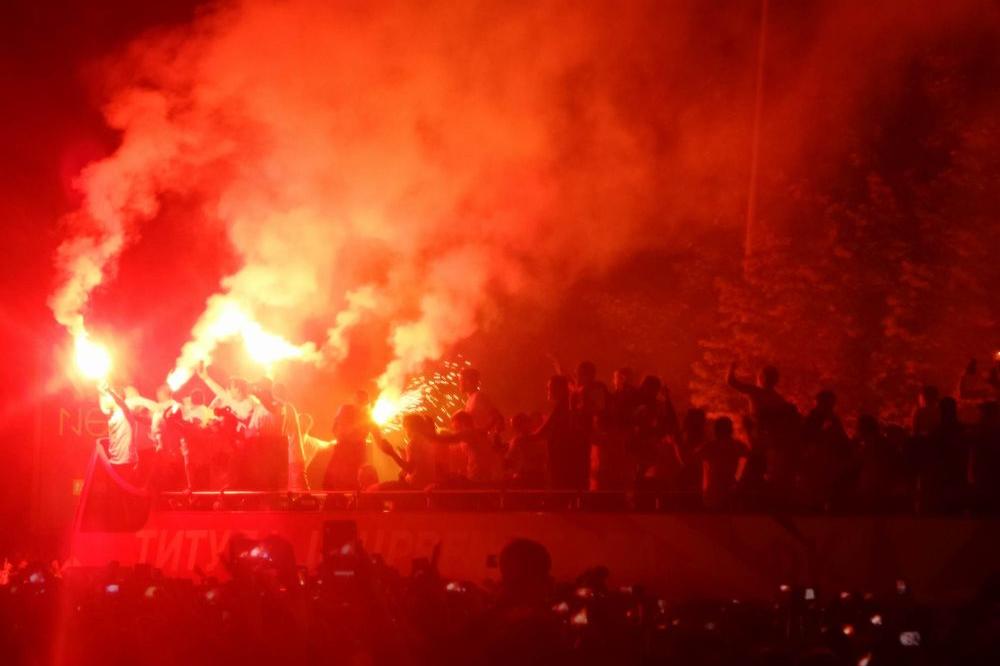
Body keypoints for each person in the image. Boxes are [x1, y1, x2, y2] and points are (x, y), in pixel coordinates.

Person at [535, 375, 588, 490]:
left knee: (559, 483)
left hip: (561, 451)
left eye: (550, 387)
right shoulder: (565, 405)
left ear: (558, 388)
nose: (547, 390)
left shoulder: (562, 406)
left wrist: (526, 439)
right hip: (563, 451)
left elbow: (545, 428)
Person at [695, 416, 748, 509]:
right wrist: (738, 481)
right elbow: (745, 463)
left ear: (716, 430)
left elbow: (699, 464)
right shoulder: (739, 446)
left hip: (714, 491)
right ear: (731, 430)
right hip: (731, 489)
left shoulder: (710, 447)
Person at [323, 404, 370, 490]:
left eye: (339, 418)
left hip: (350, 478)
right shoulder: (343, 443)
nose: (337, 421)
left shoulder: (357, 439)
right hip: (341, 477)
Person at [98, 383, 139, 479]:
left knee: (126, 493)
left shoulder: (126, 412)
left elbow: (121, 403)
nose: (106, 399)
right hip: (113, 462)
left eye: (107, 397)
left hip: (127, 463)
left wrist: (109, 391)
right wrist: (99, 391)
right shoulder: (112, 415)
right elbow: (103, 407)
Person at [505, 412, 547, 488]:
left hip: (533, 476)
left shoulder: (518, 441)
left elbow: (509, 460)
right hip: (529, 476)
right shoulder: (517, 441)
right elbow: (509, 460)